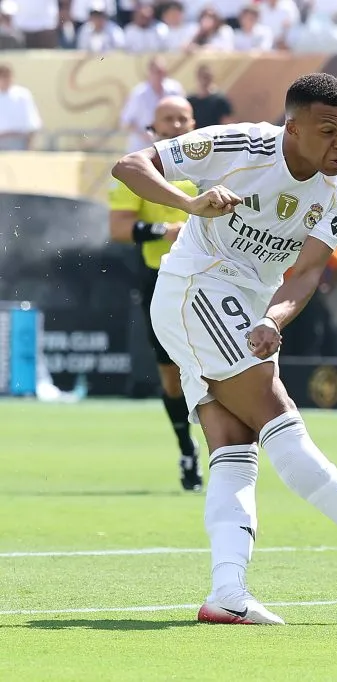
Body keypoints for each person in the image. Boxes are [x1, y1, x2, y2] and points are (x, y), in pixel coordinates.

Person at [111, 73, 337, 626]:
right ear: (292, 127)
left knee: (234, 447)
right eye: (328, 131)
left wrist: (274, 319)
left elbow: (305, 273)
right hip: (195, 287)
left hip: (248, 305)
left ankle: (226, 592)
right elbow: (130, 165)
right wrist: (191, 203)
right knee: (275, 409)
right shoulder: (240, 146)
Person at [109, 96, 204, 492]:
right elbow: (118, 228)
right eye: (169, 119)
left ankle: (233, 453)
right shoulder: (141, 168)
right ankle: (187, 448)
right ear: (154, 126)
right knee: (170, 377)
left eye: (183, 117)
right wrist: (166, 232)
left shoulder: (212, 162)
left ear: (193, 122)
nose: (177, 124)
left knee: (223, 369)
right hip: (160, 283)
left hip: (210, 282)